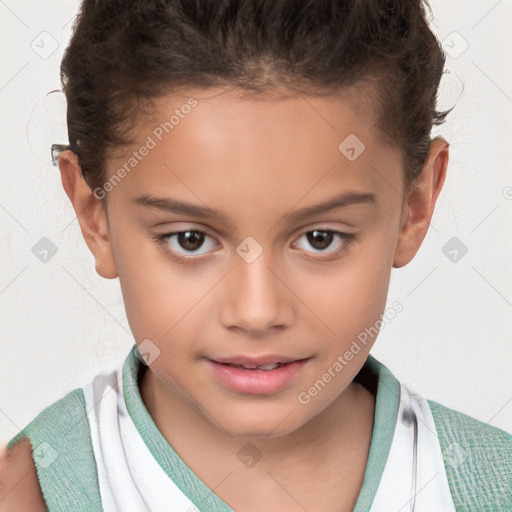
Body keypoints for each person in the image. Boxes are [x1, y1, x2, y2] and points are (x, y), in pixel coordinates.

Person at [1, 0, 511, 510]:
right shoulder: (27, 493)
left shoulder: (493, 486)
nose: (257, 312)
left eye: (320, 238)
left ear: (414, 207)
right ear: (97, 218)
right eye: (190, 240)